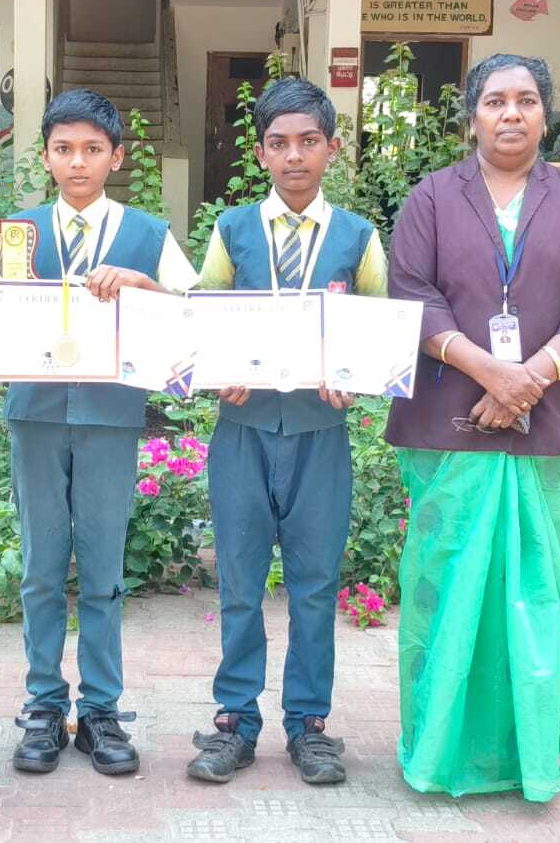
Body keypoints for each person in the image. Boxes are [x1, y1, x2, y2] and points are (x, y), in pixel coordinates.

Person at [385, 53, 560, 802]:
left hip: (548, 428)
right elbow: (411, 295)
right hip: (449, 424)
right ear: (472, 115)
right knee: (447, 596)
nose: (510, 113)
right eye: (494, 101)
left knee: (537, 597)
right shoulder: (431, 197)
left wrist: (529, 380)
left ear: (546, 114)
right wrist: (492, 373)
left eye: (525, 100)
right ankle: (438, 752)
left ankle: (529, 757)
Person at [186, 78, 387, 786]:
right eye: (279, 143)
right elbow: (203, 314)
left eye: (308, 142)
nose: (294, 156)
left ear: (332, 148)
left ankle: (309, 724)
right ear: (261, 153)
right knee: (240, 582)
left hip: (319, 434)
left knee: (315, 585)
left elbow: (380, 328)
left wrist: (357, 376)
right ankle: (235, 721)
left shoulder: (358, 237)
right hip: (242, 431)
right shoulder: (232, 230)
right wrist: (217, 372)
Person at [2, 89, 199, 776]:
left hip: (111, 418)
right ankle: (43, 706)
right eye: (63, 149)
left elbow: (192, 313)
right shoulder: (19, 231)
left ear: (116, 156)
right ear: (46, 157)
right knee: (40, 567)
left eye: (92, 149)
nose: (77, 162)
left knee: (104, 570)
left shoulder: (148, 234)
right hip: (35, 413)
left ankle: (102, 710)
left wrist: (146, 286)